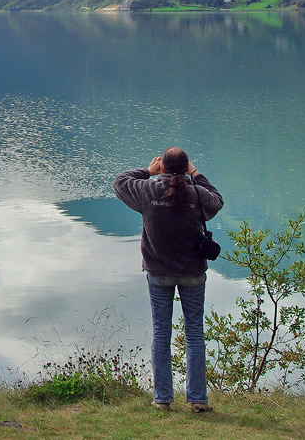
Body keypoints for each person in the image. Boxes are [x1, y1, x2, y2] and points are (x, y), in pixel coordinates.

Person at [113, 147, 223, 412]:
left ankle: (162, 399)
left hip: (158, 272)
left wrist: (147, 172)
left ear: (162, 167)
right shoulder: (197, 193)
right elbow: (217, 201)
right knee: (195, 334)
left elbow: (119, 182)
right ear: (185, 167)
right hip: (193, 273)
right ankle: (197, 400)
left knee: (161, 333)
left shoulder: (146, 191)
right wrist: (195, 174)